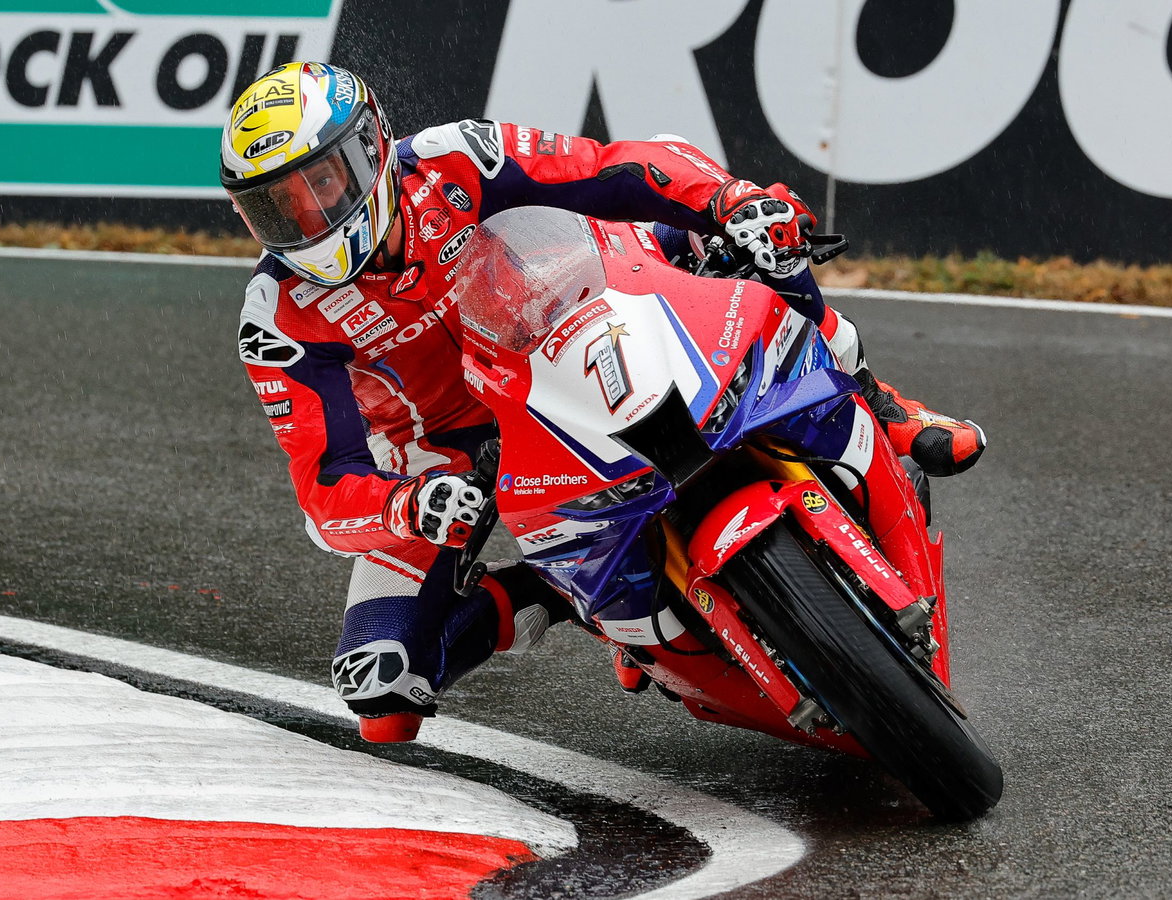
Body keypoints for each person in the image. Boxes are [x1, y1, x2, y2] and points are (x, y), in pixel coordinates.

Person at [222, 61, 986, 742]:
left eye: (320, 185)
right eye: (277, 208)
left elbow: (608, 167)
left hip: (558, 328)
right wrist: (408, 505)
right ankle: (569, 592)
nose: (308, 220)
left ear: (371, 149)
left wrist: (731, 199)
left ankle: (878, 401)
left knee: (751, 226)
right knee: (381, 688)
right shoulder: (276, 317)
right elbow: (324, 488)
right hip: (447, 456)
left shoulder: (454, 158)